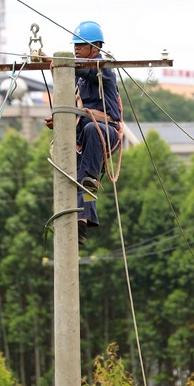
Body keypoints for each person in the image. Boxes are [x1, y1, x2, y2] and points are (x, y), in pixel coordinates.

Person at [44, 21, 121, 245]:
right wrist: (59, 120)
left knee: (89, 136)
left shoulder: (102, 69)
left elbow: (84, 69)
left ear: (95, 48)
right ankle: (82, 222)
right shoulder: (76, 77)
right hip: (85, 137)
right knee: (81, 182)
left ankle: (88, 184)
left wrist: (58, 63)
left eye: (81, 45)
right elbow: (72, 108)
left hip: (105, 132)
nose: (76, 49)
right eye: (75, 45)